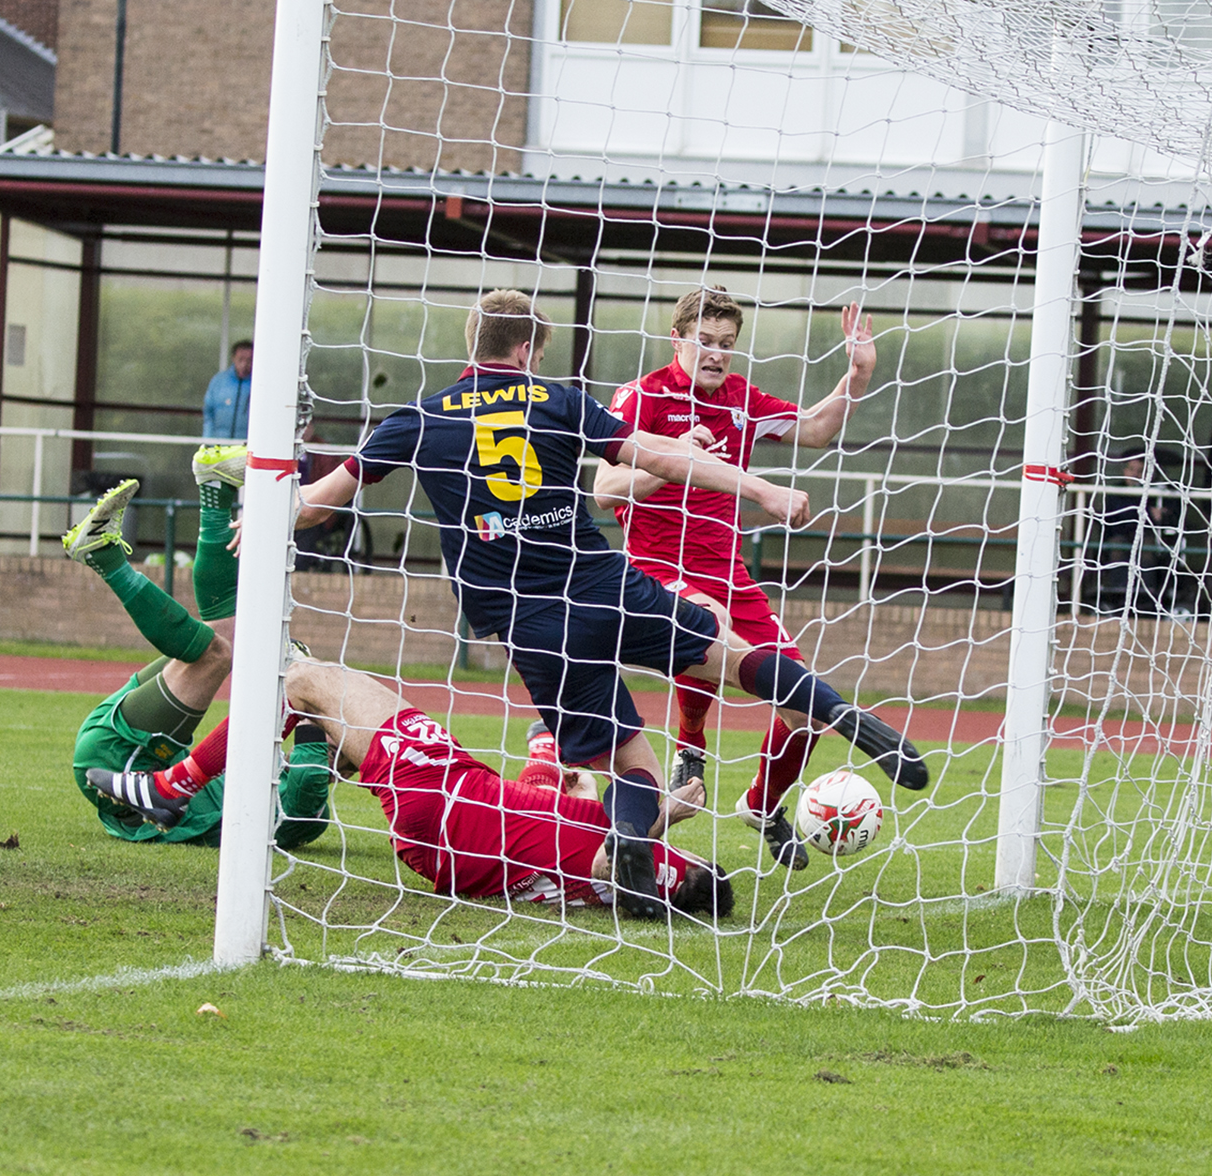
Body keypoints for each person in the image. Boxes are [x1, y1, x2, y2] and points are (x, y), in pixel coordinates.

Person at [294, 289, 925, 919]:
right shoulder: (562, 399)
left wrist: (258, 496)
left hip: (528, 623)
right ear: (527, 350)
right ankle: (837, 710)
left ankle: (631, 842)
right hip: (607, 584)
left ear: (472, 345)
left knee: (629, 759)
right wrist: (760, 488)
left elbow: (316, 504)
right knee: (729, 651)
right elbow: (649, 459)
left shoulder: (418, 418)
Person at [90, 661, 732, 917]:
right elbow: (550, 820)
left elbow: (627, 873)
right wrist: (556, 757)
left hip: (451, 801)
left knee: (303, 679)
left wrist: (664, 838)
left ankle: (175, 787)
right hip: (460, 825)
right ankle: (302, 762)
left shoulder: (648, 863)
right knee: (317, 715)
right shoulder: (593, 829)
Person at [592, 287, 873, 869]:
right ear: (678, 339)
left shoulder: (742, 400)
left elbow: (817, 429)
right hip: (654, 569)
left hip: (730, 573)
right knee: (711, 629)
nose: (716, 355)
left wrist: (857, 374)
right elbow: (604, 491)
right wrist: (670, 455)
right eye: (705, 342)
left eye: (726, 345)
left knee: (808, 709)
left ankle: (761, 804)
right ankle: (690, 746)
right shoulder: (641, 396)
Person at [61, 444, 335, 847]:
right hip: (130, 751)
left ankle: (104, 556)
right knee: (229, 636)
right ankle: (216, 492)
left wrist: (314, 702)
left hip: (128, 766)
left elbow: (311, 773)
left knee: (216, 654)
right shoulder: (275, 783)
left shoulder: (309, 814)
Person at [1097, 453, 1178, 615]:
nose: (1135, 474)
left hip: (1146, 537)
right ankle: (1117, 595)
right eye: (1131, 469)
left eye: (1140, 471)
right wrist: (1148, 512)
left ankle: (1145, 596)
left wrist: (1162, 513)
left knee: (1146, 549)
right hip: (1119, 535)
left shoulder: (1157, 491)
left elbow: (1173, 514)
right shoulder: (1115, 491)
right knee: (1117, 547)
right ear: (1124, 471)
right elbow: (1115, 516)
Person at [203, 339, 253, 440]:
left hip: (245, 447)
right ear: (233, 358)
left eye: (249, 360)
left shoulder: (259, 384)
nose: (244, 365)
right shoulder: (219, 381)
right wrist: (207, 441)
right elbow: (209, 413)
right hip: (219, 447)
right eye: (240, 359)